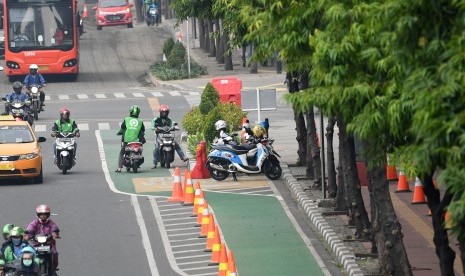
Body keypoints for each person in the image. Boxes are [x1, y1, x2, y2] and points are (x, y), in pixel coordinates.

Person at [24, 205, 60, 273]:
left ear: (48, 215)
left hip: (49, 244)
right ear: (38, 215)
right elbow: (29, 230)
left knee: (54, 253)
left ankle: (53, 269)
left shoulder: (51, 223)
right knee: (29, 254)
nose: (43, 216)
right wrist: (28, 235)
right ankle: (30, 269)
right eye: (41, 214)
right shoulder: (34, 223)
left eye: (45, 214)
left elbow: (55, 229)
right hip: (36, 244)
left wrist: (54, 234)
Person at [151, 104, 188, 169]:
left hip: (168, 135)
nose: (164, 114)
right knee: (156, 148)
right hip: (160, 136)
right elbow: (152, 126)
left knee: (176, 145)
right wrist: (155, 128)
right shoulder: (156, 119)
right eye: (163, 112)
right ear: (160, 112)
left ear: (167, 113)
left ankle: (182, 157)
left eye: (166, 112)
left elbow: (174, 125)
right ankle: (155, 163)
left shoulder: (169, 120)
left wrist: (175, 127)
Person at [115, 105, 146, 172]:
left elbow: (122, 128)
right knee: (140, 149)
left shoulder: (126, 119)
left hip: (127, 140)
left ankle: (119, 168)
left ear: (130, 112)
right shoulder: (140, 121)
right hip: (137, 140)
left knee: (122, 152)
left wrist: (119, 133)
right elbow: (143, 130)